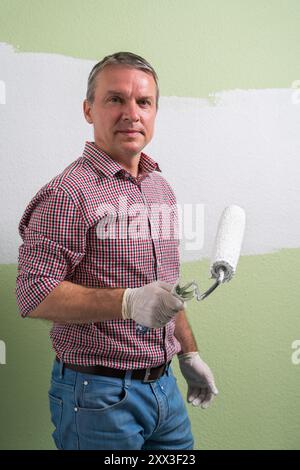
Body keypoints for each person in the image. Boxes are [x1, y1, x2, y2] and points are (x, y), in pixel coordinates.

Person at [16, 52, 218, 450]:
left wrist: (189, 355)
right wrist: (127, 302)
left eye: (143, 102)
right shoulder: (68, 193)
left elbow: (167, 291)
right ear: (89, 110)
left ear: (155, 112)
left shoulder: (160, 188)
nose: (131, 113)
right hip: (98, 397)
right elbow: (33, 293)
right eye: (115, 99)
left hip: (165, 391)